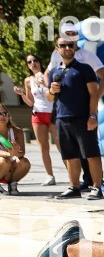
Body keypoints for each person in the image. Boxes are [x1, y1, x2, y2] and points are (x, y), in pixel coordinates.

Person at [47, 22, 104, 192]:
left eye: (73, 34)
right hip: (63, 113)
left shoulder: (87, 57)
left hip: (84, 111)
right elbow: (49, 79)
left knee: (90, 151)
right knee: (70, 153)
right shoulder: (56, 58)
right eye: (65, 36)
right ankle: (77, 185)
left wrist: (95, 102)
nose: (69, 41)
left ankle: (98, 184)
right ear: (58, 45)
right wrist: (48, 89)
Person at [13, 54, 59, 185]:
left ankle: (72, 174)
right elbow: (30, 102)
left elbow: (55, 93)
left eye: (35, 60)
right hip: (38, 114)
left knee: (62, 145)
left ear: (40, 62)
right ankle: (50, 176)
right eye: (29, 62)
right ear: (27, 66)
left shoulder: (49, 74)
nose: (33, 63)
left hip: (53, 113)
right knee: (43, 147)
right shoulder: (28, 81)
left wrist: (44, 82)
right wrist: (21, 94)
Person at [0, 104, 31, 194]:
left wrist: (15, 153)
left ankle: (12, 185)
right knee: (4, 161)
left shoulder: (17, 131)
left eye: (5, 113)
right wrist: (9, 154)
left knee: (24, 162)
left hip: (9, 166)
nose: (3, 116)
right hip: (3, 163)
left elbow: (22, 152)